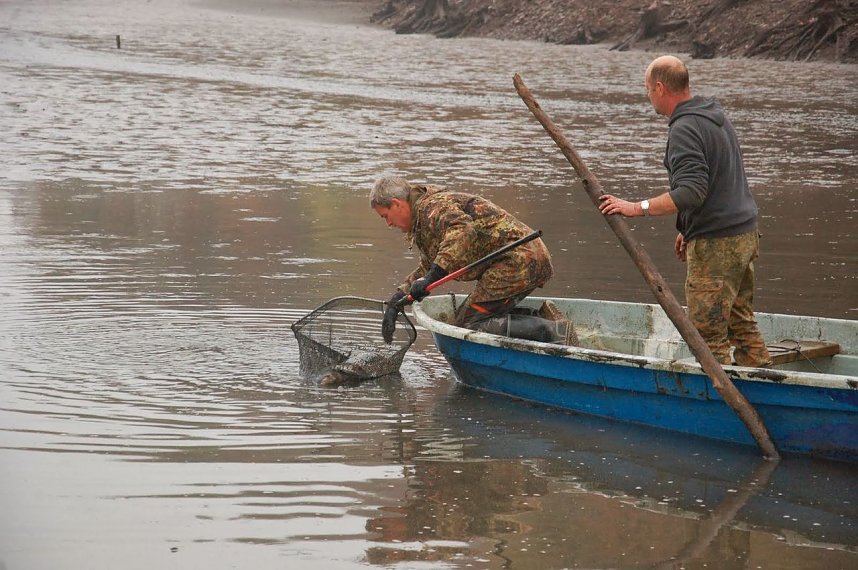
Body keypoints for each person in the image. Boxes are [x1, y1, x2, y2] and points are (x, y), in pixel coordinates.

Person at [598, 55, 771, 368]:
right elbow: (718, 181)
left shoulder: (684, 129)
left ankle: (719, 404)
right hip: (744, 233)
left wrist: (636, 208)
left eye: (648, 90)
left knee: (707, 337)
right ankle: (764, 386)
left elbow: (691, 191)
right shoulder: (712, 115)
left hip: (718, 245)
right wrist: (688, 228)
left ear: (661, 88)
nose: (648, 96)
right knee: (741, 323)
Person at [370, 175, 568, 344]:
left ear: (397, 204)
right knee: (472, 318)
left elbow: (463, 231)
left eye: (385, 216)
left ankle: (552, 331)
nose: (388, 224)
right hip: (518, 260)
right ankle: (542, 317)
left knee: (470, 326)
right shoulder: (424, 216)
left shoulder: (432, 208)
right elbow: (430, 265)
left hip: (518, 261)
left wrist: (432, 277)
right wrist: (396, 301)